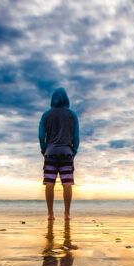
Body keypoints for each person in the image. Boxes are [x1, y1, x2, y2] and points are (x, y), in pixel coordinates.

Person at [38, 88, 79, 220]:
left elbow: (40, 136)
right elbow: (76, 136)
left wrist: (44, 149)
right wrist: (74, 150)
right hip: (66, 152)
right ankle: (67, 214)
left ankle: (50, 214)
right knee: (67, 183)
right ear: (66, 98)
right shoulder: (72, 115)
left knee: (49, 183)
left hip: (50, 153)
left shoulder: (46, 115)